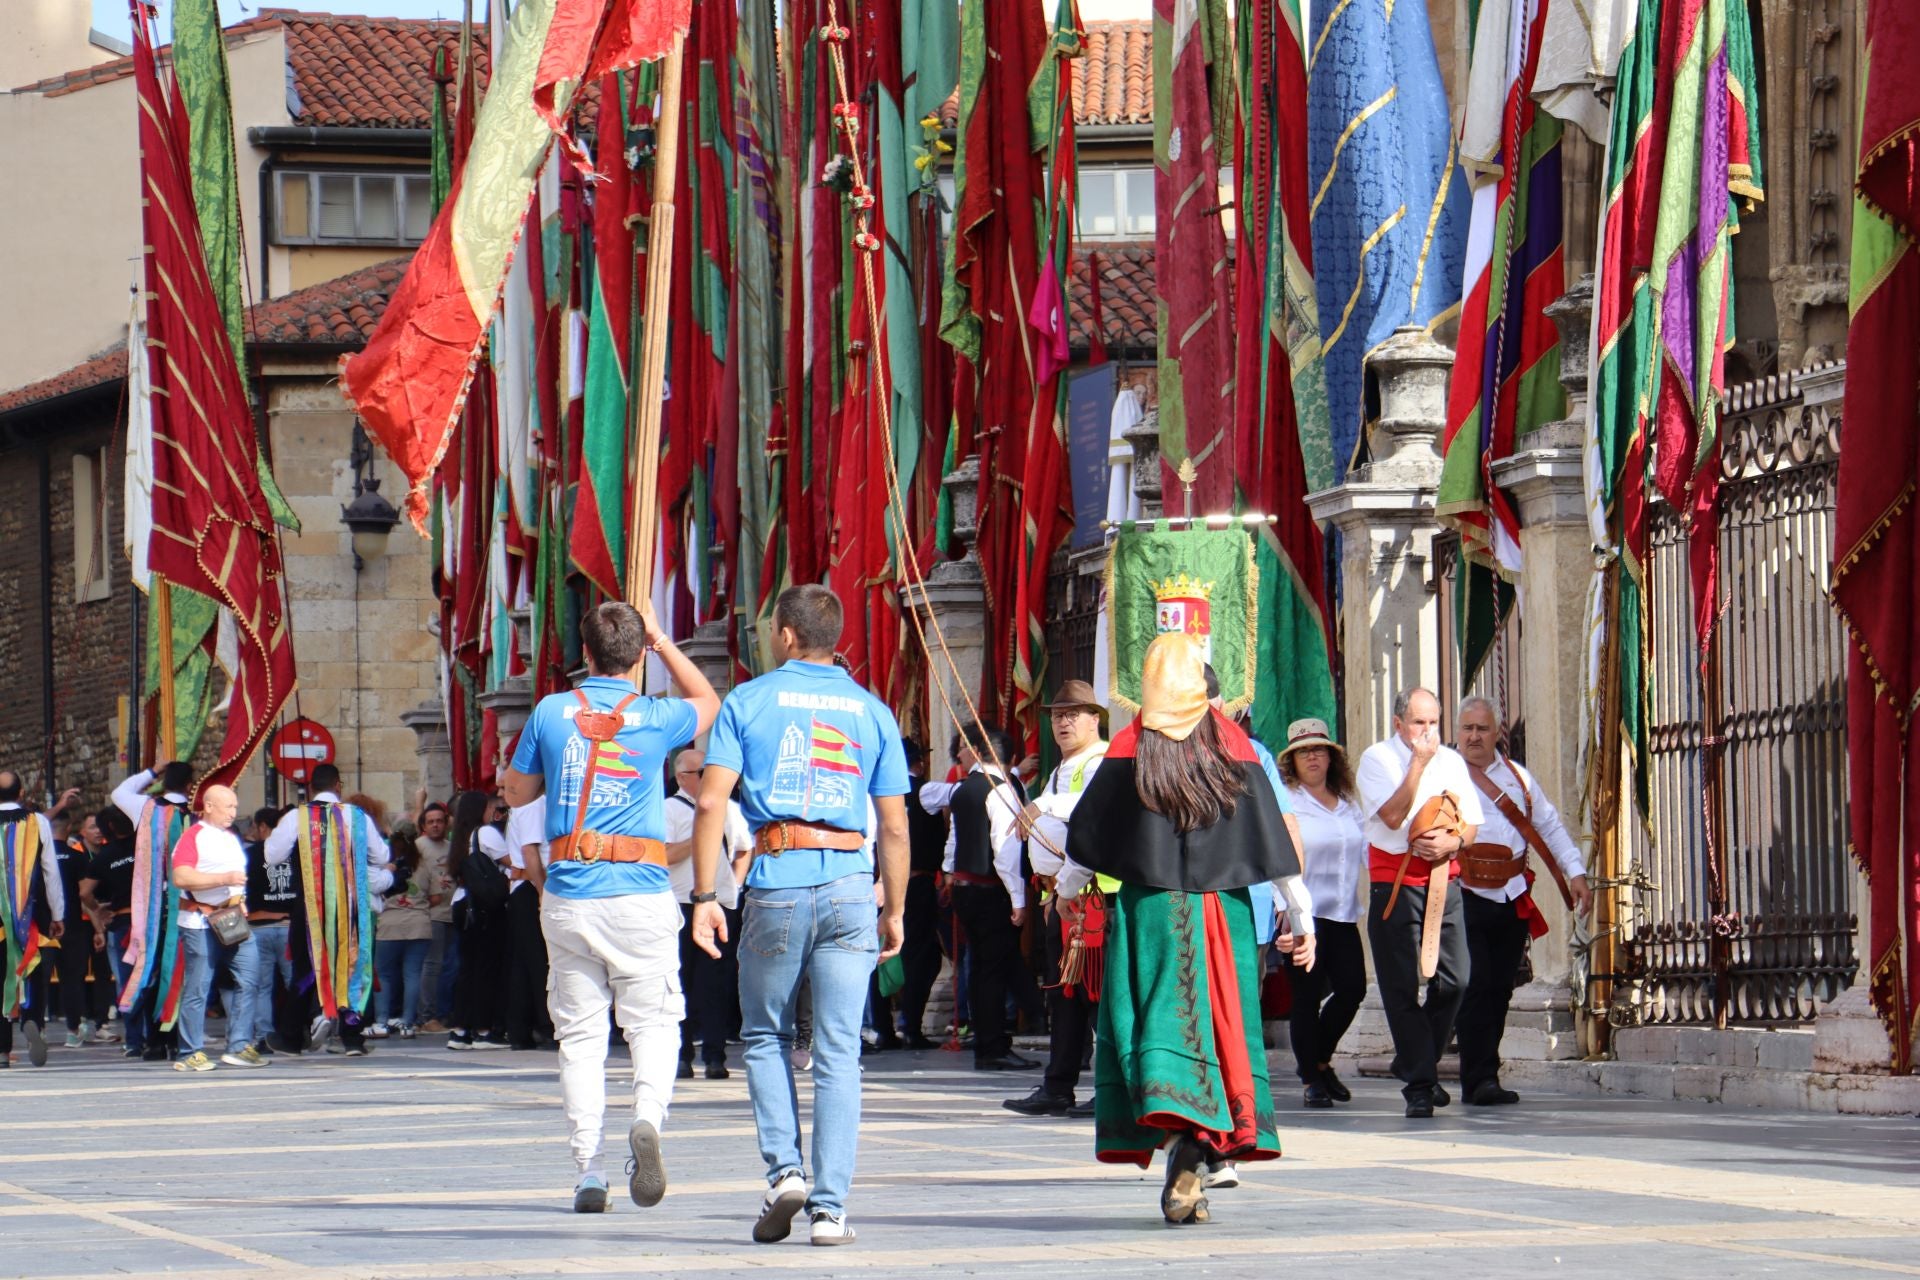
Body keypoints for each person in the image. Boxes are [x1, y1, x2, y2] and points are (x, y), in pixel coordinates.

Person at [1056, 634, 1311, 1225]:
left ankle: (1182, 1143)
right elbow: (1272, 843)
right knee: (1221, 1027)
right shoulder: (1232, 742)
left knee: (1152, 1026)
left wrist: (1067, 890)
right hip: (1224, 914)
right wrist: (1301, 914)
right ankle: (1202, 1144)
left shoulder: (1130, 742)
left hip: (1150, 912)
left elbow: (1089, 841)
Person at [690, 583, 910, 1247]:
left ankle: (785, 1169)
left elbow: (708, 805)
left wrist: (705, 898)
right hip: (850, 884)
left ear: (786, 635)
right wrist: (894, 908)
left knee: (766, 1036)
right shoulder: (871, 709)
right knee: (840, 1051)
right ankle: (830, 1209)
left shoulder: (748, 701)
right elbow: (895, 825)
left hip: (778, 879)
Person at [502, 599, 720, 1215]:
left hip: (571, 892)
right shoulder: (655, 715)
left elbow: (517, 792)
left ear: (586, 653)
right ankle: (647, 1118)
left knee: (581, 1037)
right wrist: (664, 641)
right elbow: (710, 701)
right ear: (637, 656)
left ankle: (588, 1169)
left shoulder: (550, 711)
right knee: (653, 1023)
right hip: (641, 889)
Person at [1452, 697, 1592, 1106]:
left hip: (1510, 895)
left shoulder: (1518, 778)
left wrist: (1576, 873)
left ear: (1498, 733)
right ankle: (1475, 1079)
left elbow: (1547, 824)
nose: (1474, 736)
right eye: (1467, 729)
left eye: (1482, 728)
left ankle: (1486, 1074)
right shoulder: (1443, 774)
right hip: (1465, 896)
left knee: (1499, 989)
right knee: (1474, 986)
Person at [1355, 687, 1483, 1119]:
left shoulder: (1452, 761)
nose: (1427, 732)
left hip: (1443, 880)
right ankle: (1421, 1084)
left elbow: (1472, 825)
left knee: (1457, 979)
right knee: (1400, 985)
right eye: (1418, 723)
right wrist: (1417, 764)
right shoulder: (1378, 759)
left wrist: (1454, 839)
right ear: (1398, 724)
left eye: (1433, 723)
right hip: (1395, 882)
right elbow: (1391, 817)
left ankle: (1415, 1057)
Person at [1005, 680, 1110, 1117]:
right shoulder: (1058, 770)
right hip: (1059, 897)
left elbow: (1095, 808)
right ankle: (1058, 1083)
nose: (1063, 722)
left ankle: (1109, 1088)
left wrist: (1043, 808)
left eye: (1073, 714)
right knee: (1062, 994)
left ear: (1095, 719)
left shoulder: (1102, 760)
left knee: (1100, 997)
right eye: (1056, 715)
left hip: (1093, 898)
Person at [263, 764, 392, 1056]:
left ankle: (292, 1036)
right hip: (350, 908)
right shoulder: (358, 817)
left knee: (306, 969)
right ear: (338, 785)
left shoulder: (297, 817)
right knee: (352, 965)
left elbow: (272, 856)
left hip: (309, 908)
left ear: (310, 788)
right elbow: (382, 855)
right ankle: (352, 1038)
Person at [930, 724, 1034, 1072]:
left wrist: (949, 873)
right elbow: (1005, 851)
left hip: (964, 889)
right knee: (991, 970)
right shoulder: (999, 791)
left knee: (980, 970)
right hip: (991, 892)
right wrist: (1018, 899)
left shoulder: (962, 790)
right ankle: (992, 1047)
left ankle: (988, 1043)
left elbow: (953, 841)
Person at [1276, 718, 1369, 1108]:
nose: (1312, 757)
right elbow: (1276, 857)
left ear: (1331, 757)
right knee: (1306, 997)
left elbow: (1367, 849)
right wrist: (1284, 909)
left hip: (1343, 911)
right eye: (1303, 751)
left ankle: (1319, 1059)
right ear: (1292, 761)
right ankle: (1313, 1079)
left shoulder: (1348, 803)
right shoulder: (1287, 801)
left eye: (1318, 750)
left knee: (1353, 989)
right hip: (1303, 913)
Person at [665, 747, 748, 1080]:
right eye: (700, 773)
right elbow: (665, 854)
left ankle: (715, 1055)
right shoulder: (668, 809)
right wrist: (700, 836)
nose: (706, 779)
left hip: (720, 903)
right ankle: (682, 1054)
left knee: (717, 982)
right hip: (680, 903)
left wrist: (734, 885)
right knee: (679, 980)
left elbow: (744, 847)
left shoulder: (728, 808)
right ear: (682, 777)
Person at [112, 763, 195, 1062]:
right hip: (187, 910)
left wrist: (152, 771)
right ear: (189, 785)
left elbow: (119, 792)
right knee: (180, 973)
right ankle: (174, 1039)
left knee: (150, 969)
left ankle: (153, 1042)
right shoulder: (197, 818)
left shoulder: (146, 808)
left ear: (164, 783)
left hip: (150, 910)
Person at [167, 785, 247, 1073]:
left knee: (249, 978)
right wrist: (224, 877)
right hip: (200, 920)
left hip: (231, 916)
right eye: (228, 807)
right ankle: (189, 1052)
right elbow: (181, 876)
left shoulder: (229, 838)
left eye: (235, 807)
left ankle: (239, 1044)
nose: (233, 813)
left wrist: (240, 898)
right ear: (209, 806)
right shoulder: (193, 837)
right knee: (198, 985)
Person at [0, 770, 65, 1068]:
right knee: (33, 969)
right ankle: (33, 1020)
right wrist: (58, 913)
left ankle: (2, 1051)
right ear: (22, 792)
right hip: (32, 910)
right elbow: (50, 870)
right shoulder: (37, 821)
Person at [226, 807, 295, 1066]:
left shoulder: (250, 855)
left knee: (261, 987)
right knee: (293, 982)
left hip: (258, 927)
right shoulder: (293, 853)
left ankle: (264, 1036)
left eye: (255, 827)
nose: (253, 832)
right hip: (289, 927)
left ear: (264, 827)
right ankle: (294, 1032)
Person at [443, 790, 511, 1051]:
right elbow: (511, 862)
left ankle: (460, 1029)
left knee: (467, 970)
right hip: (483, 908)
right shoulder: (486, 833)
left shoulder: (461, 837)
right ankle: (484, 1029)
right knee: (486, 969)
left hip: (463, 904)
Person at [891, 740, 946, 1051]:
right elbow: (962, 792)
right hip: (916, 883)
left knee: (888, 956)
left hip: (885, 884)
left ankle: (886, 1028)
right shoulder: (924, 791)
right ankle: (910, 1025)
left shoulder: (881, 795)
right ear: (919, 763)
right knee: (921, 956)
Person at [371, 828, 441, 1040]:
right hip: (419, 925)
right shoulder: (425, 865)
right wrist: (417, 906)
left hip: (389, 926)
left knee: (383, 974)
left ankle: (381, 1022)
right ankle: (408, 1024)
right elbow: (436, 897)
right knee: (412, 975)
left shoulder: (386, 868)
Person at [52, 799, 112, 1047]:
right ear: (69, 830)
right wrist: (99, 926)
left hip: (40, 924)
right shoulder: (76, 858)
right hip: (72, 924)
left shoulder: (33, 856)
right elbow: (84, 895)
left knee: (35, 976)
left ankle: (35, 1026)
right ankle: (73, 1030)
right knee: (72, 978)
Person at [87, 808, 142, 1057]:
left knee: (127, 982)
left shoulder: (103, 857)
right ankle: (157, 1038)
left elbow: (83, 893)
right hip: (149, 920)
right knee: (152, 977)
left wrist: (98, 910)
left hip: (121, 922)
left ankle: (133, 1040)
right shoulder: (144, 844)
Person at [502, 796, 555, 1050]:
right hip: (531, 886)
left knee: (524, 964)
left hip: (526, 885)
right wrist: (543, 891)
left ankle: (520, 1030)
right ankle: (548, 1026)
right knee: (539, 961)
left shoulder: (528, 805)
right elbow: (530, 851)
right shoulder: (534, 804)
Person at [414, 800, 456, 1031]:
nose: (436, 825)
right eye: (431, 822)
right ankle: (426, 1017)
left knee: (449, 966)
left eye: (440, 821)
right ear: (424, 825)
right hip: (431, 915)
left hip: (452, 913)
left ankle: (444, 1012)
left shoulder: (452, 846)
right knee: (431, 965)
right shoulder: (418, 847)